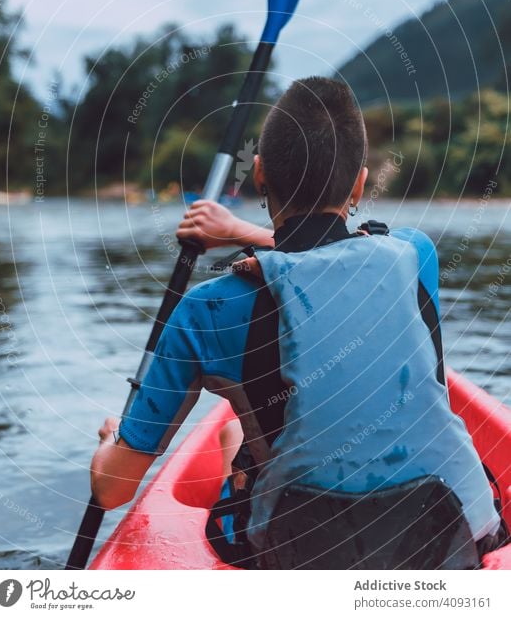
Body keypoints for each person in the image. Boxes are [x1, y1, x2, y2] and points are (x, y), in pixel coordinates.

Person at [91, 77, 502, 568]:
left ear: (260, 173)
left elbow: (113, 491)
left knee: (235, 437)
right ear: (360, 183)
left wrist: (110, 443)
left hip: (300, 551)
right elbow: (335, 253)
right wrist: (242, 232)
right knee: (234, 437)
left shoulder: (207, 309)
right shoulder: (415, 255)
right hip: (449, 531)